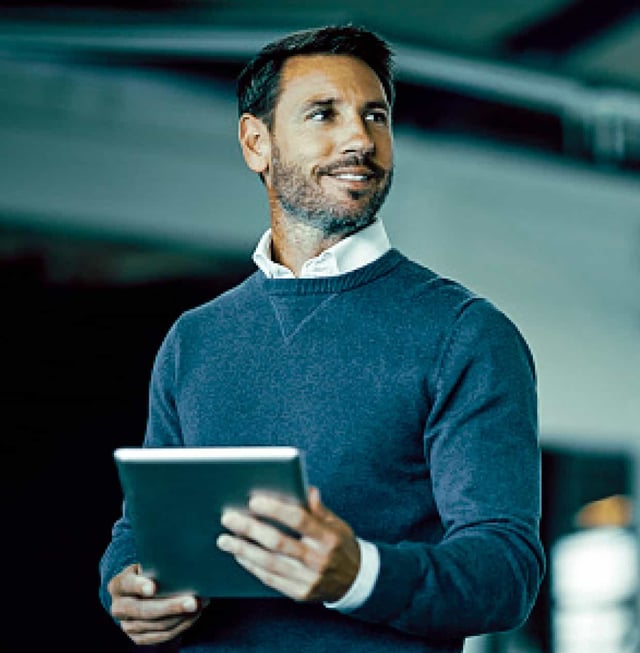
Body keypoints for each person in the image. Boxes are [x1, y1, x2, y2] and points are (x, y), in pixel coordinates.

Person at [99, 24, 546, 653]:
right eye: (323, 113)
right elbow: (139, 528)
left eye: (376, 116)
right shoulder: (194, 339)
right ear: (257, 143)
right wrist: (125, 587)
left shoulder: (465, 333)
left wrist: (358, 575)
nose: (360, 139)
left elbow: (506, 572)